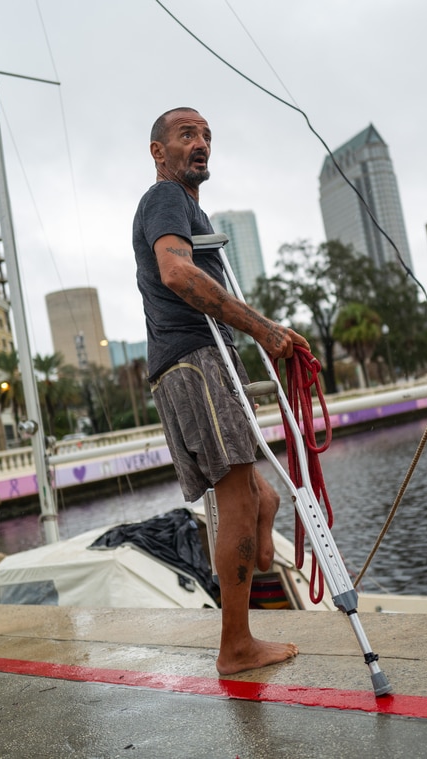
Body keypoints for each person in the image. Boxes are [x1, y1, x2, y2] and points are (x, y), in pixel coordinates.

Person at [133, 107, 308, 675]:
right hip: (194, 361)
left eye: (207, 134)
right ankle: (235, 646)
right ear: (159, 150)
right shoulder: (164, 199)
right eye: (187, 134)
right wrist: (263, 328)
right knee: (236, 498)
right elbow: (177, 274)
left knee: (264, 498)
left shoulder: (189, 207)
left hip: (205, 361)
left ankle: (252, 572)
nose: (201, 142)